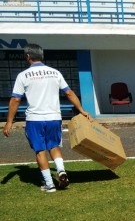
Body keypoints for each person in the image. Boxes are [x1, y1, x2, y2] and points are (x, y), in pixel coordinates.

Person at [3, 43, 90, 193]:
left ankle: (49, 184)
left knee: (40, 150)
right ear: (42, 56)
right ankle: (61, 171)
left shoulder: (23, 75)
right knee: (54, 146)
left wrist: (9, 122)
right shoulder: (55, 73)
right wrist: (81, 110)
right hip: (54, 117)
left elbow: (15, 100)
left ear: (28, 56)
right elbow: (68, 92)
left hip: (35, 119)